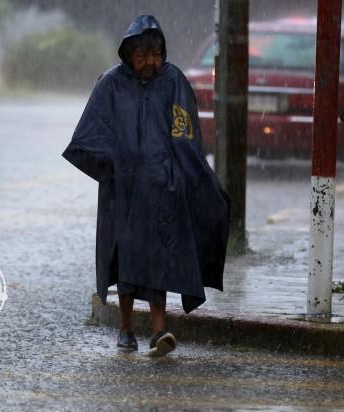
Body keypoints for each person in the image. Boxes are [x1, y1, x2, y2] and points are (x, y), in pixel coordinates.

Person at [62, 15, 230, 357]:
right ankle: (125, 329)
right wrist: (116, 166)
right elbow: (89, 136)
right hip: (121, 194)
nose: (150, 62)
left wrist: (187, 176)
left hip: (162, 189)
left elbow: (186, 133)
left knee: (159, 258)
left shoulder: (173, 81)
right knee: (124, 258)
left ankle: (159, 331)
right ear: (128, 53)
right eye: (143, 55)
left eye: (156, 54)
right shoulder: (110, 84)